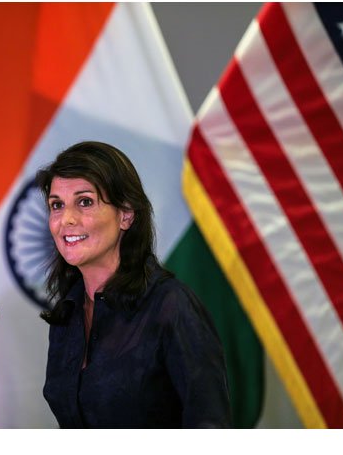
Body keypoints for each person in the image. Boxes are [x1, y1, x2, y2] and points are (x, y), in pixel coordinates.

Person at [36, 141, 231, 428]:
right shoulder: (67, 313)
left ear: (126, 214)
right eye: (57, 205)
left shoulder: (171, 306)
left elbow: (210, 426)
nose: (66, 219)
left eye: (85, 202)